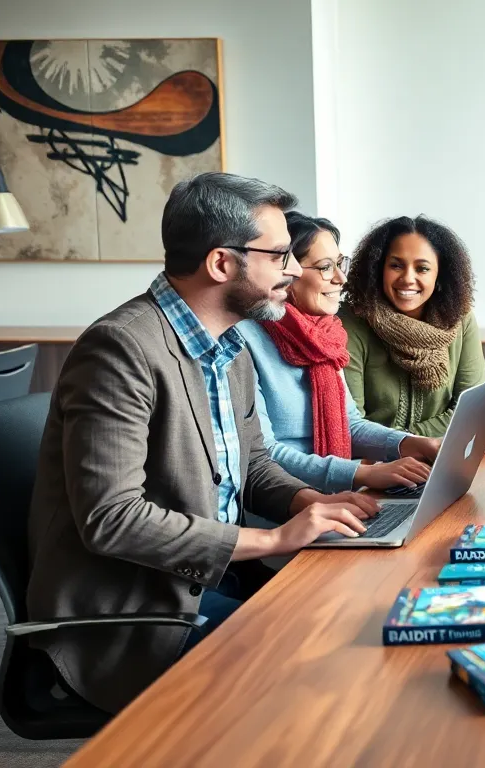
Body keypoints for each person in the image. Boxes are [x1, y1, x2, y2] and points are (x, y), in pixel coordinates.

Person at [25, 173, 383, 713]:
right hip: (134, 617)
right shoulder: (119, 350)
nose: (292, 270)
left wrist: (312, 502)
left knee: (358, 626)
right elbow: (113, 519)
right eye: (281, 255)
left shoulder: (230, 344)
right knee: (319, 679)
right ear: (221, 264)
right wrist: (274, 540)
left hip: (207, 583)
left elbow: (253, 464)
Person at [238, 212, 445, 493]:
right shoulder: (243, 341)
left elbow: (349, 424)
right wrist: (362, 474)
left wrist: (409, 443)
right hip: (286, 510)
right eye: (325, 267)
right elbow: (262, 454)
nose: (340, 278)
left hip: (339, 496)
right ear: (288, 273)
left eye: (339, 264)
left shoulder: (326, 336)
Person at [340, 215, 485, 447]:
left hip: (442, 456)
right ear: (378, 268)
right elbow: (352, 427)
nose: (407, 279)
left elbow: (472, 411)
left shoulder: (460, 320)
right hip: (374, 465)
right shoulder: (351, 322)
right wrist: (422, 442)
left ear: (439, 275)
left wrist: (411, 441)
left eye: (422, 268)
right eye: (396, 265)